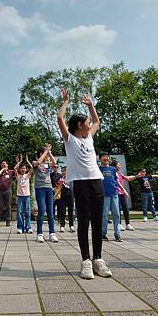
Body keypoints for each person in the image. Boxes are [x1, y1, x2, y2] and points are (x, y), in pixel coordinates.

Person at [57, 89, 112, 279]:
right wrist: (65, 102)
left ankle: (98, 259)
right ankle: (86, 261)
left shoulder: (89, 137)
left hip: (96, 181)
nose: (90, 124)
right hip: (79, 183)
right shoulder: (69, 139)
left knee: (97, 221)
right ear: (80, 125)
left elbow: (96, 121)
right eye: (86, 122)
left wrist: (90, 105)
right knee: (84, 221)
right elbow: (59, 119)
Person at [33, 144, 58, 243]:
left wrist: (49, 152)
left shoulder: (47, 164)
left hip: (48, 188)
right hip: (40, 188)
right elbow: (39, 161)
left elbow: (54, 162)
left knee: (50, 212)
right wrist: (46, 151)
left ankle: (52, 233)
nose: (47, 156)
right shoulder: (35, 162)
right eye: (45, 154)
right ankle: (39, 234)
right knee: (42, 211)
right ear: (40, 153)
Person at [98, 152, 121, 243]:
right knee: (104, 215)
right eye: (103, 157)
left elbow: (116, 180)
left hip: (114, 194)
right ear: (100, 159)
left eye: (107, 157)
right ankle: (103, 233)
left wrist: (120, 189)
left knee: (117, 214)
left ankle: (117, 233)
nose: (105, 158)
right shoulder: (98, 169)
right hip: (104, 195)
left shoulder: (112, 169)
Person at [0, 160, 15, 227]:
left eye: (4, 163)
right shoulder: (0, 172)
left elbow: (16, 170)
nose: (3, 164)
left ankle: (8, 221)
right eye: (2, 164)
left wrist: (17, 162)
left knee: (8, 206)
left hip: (8, 191)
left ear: (7, 165)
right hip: (0, 191)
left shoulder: (11, 172)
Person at [14, 154, 33, 234]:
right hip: (20, 196)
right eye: (22, 168)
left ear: (26, 169)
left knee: (28, 212)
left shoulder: (27, 175)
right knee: (20, 212)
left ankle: (28, 227)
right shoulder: (18, 176)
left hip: (27, 196)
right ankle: (20, 227)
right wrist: (20, 161)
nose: (23, 169)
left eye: (24, 168)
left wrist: (28, 161)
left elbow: (32, 168)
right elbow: (15, 168)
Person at [114, 161, 133, 231]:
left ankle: (128, 224)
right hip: (116, 193)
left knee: (125, 208)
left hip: (121, 193)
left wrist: (137, 176)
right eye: (119, 165)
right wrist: (124, 190)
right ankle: (119, 224)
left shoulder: (119, 173)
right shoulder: (113, 173)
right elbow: (117, 182)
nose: (120, 166)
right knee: (117, 209)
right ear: (114, 166)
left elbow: (127, 178)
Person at [56, 166, 75, 233]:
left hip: (71, 195)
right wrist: (55, 195)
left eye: (64, 171)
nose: (63, 172)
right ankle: (62, 226)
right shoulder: (61, 179)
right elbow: (60, 188)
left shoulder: (72, 179)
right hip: (63, 196)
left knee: (70, 211)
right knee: (62, 211)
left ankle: (71, 225)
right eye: (62, 171)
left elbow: (74, 187)